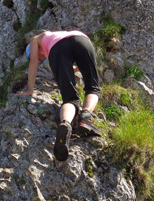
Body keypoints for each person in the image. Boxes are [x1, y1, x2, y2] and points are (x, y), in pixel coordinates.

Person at [17, 30, 101, 161]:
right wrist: (79, 66)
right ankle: (85, 118)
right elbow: (77, 64)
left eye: (40, 56)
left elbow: (32, 62)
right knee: (93, 88)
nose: (40, 58)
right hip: (83, 40)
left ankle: (65, 124)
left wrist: (30, 90)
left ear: (34, 50)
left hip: (59, 48)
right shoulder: (53, 36)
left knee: (70, 98)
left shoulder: (35, 39)